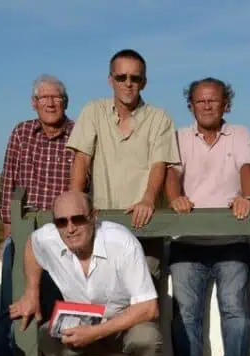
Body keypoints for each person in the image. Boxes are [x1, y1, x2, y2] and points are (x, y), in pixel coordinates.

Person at [9, 191, 166, 356]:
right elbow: (32, 245)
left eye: (78, 219)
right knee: (47, 335)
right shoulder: (49, 238)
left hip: (126, 322)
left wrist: (95, 332)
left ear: (94, 217)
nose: (70, 228)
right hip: (84, 322)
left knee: (148, 336)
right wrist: (32, 291)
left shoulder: (121, 242)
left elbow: (149, 308)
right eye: (62, 221)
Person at [165, 77, 250, 356]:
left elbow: (247, 167)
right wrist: (175, 198)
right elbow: (172, 175)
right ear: (190, 104)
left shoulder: (241, 134)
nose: (206, 105)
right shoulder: (177, 136)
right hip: (187, 241)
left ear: (225, 104)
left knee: (236, 313)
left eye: (213, 100)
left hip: (232, 239)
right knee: (185, 316)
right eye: (199, 101)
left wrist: (246, 196)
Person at [0, 74, 77, 356]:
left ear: (65, 101)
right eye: (44, 97)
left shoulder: (79, 134)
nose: (50, 102)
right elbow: (9, 181)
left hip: (64, 237)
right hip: (24, 234)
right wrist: (6, 233)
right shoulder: (20, 133)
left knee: (59, 312)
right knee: (13, 310)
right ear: (34, 103)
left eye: (56, 97)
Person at [66, 48, 180, 277]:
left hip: (146, 225)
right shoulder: (93, 111)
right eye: (121, 77)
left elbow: (160, 164)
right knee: (101, 296)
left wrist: (148, 200)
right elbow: (82, 159)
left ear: (144, 83)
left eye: (135, 78)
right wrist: (76, 204)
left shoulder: (160, 118)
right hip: (100, 225)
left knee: (145, 301)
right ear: (111, 80)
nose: (128, 83)